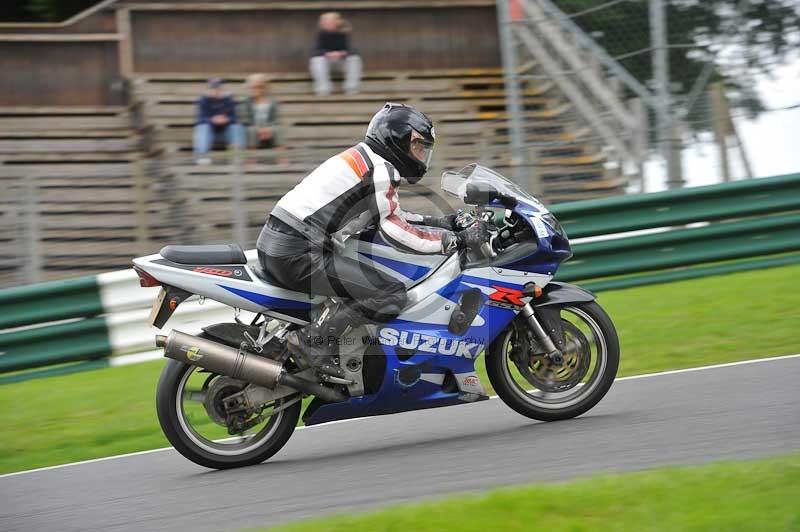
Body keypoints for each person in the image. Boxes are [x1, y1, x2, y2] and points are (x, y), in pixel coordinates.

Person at [256, 103, 489, 378]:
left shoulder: (366, 159)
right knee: (389, 294)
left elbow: (390, 216)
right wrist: (453, 241)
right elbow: (394, 231)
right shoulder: (381, 169)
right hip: (297, 251)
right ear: (398, 139)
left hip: (284, 243)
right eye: (418, 147)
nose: (421, 155)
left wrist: (441, 223)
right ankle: (311, 343)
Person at [193, 78, 246, 164]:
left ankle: (238, 156)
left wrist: (226, 119)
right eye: (213, 88)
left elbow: (235, 118)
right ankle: (203, 157)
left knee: (237, 127)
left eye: (218, 88)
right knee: (203, 127)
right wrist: (212, 120)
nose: (216, 91)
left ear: (222, 89)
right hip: (209, 133)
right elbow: (200, 119)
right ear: (209, 90)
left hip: (225, 131)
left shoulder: (228, 99)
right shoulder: (203, 100)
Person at [309, 12, 362, 96]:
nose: (327, 24)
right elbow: (315, 51)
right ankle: (323, 89)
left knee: (354, 59)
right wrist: (327, 54)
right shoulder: (320, 34)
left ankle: (352, 88)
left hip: (341, 62)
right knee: (317, 60)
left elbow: (352, 50)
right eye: (325, 22)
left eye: (330, 22)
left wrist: (341, 53)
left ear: (337, 22)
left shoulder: (344, 33)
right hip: (326, 63)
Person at [241, 73, 281, 150]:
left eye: (258, 87)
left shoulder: (272, 101)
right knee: (251, 131)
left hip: (269, 128)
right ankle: (251, 159)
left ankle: (282, 158)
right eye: (252, 87)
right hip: (254, 128)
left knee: (279, 130)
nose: (255, 90)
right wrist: (258, 129)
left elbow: (276, 119)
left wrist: (268, 129)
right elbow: (246, 120)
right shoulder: (247, 102)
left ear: (264, 88)